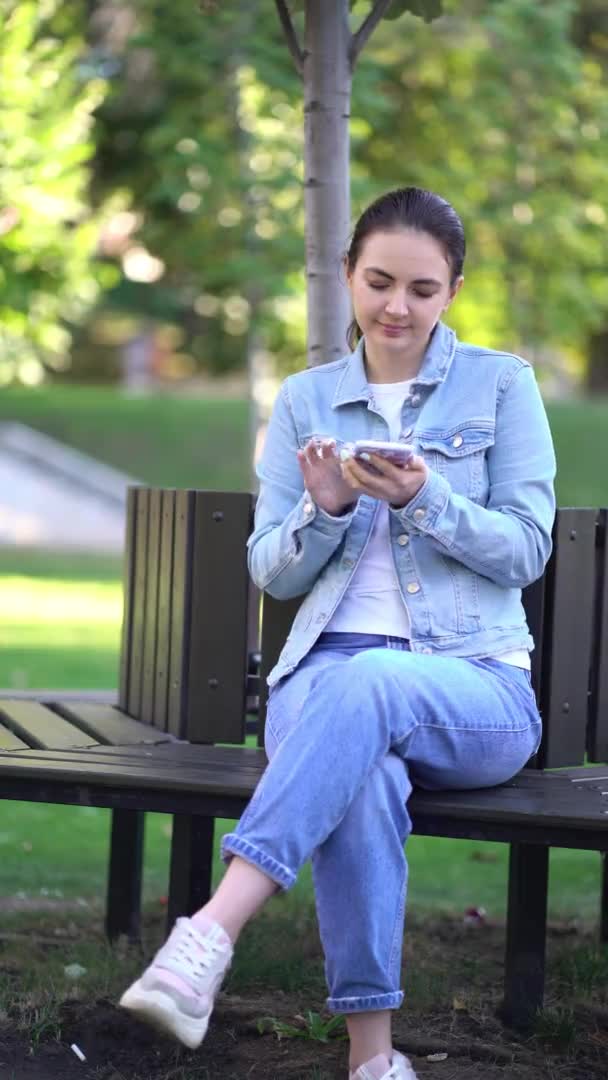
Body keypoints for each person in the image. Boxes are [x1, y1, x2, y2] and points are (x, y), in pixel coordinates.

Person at [120, 187, 556, 1080]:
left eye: (423, 289)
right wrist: (322, 513)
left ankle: (209, 933)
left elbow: (527, 549)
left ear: (453, 290)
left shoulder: (503, 385)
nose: (398, 306)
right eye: (380, 281)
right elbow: (271, 572)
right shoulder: (305, 400)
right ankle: (374, 1061)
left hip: (473, 687)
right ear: (349, 276)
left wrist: (425, 499)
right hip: (324, 681)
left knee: (368, 689)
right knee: (361, 775)